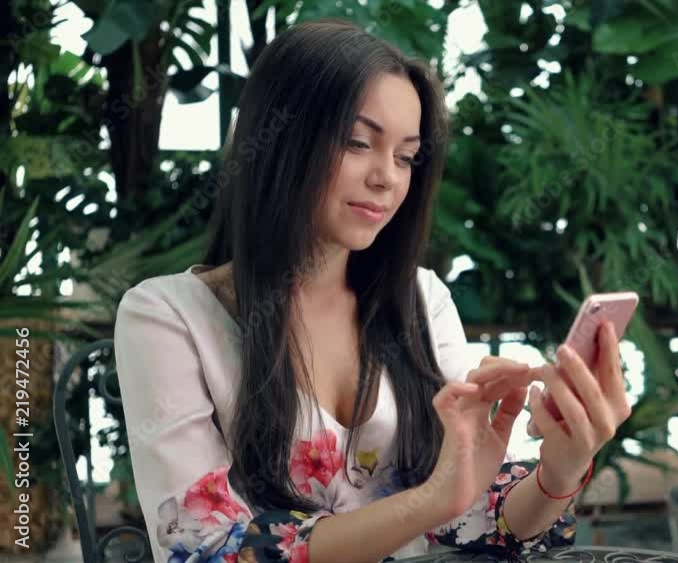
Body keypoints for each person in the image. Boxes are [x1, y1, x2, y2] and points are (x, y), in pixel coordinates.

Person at [113, 18, 632, 563]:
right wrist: (429, 501)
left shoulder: (421, 302)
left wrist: (562, 469)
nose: (387, 177)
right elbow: (210, 550)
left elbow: (473, 518)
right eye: (359, 143)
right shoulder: (167, 317)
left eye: (406, 156)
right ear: (279, 142)